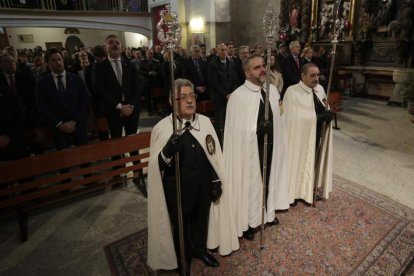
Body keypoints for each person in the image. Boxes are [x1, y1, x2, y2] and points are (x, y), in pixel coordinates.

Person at [147, 78, 239, 273]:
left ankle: (200, 250)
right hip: (178, 188)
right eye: (183, 97)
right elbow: (158, 166)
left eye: (192, 96)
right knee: (181, 226)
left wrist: (215, 179)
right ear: (172, 101)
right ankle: (183, 258)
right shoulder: (163, 128)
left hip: (203, 184)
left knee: (201, 219)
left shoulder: (204, 122)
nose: (190, 101)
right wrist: (169, 149)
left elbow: (214, 155)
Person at [223, 54, 289, 241]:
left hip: (272, 145)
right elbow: (235, 131)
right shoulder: (238, 96)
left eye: (263, 66)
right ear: (246, 72)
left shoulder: (273, 91)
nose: (262, 70)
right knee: (252, 184)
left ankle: (267, 213)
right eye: (256, 67)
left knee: (270, 178)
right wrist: (257, 129)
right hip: (250, 151)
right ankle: (250, 222)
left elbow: (279, 117)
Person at [282, 63, 333, 206]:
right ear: (303, 75)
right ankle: (294, 192)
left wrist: (328, 113)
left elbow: (324, 105)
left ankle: (309, 188)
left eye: (317, 75)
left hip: (317, 133)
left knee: (314, 160)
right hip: (299, 137)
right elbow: (291, 118)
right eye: (312, 75)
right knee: (299, 161)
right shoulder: (292, 91)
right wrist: (316, 118)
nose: (316, 78)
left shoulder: (320, 89)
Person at [36, 48, 90, 151]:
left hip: (77, 125)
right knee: (64, 161)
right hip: (58, 128)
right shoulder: (42, 82)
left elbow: (85, 101)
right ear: (48, 63)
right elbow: (42, 107)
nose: (58, 62)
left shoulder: (75, 78)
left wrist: (75, 121)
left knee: (84, 157)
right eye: (54, 60)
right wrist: (59, 124)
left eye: (59, 59)